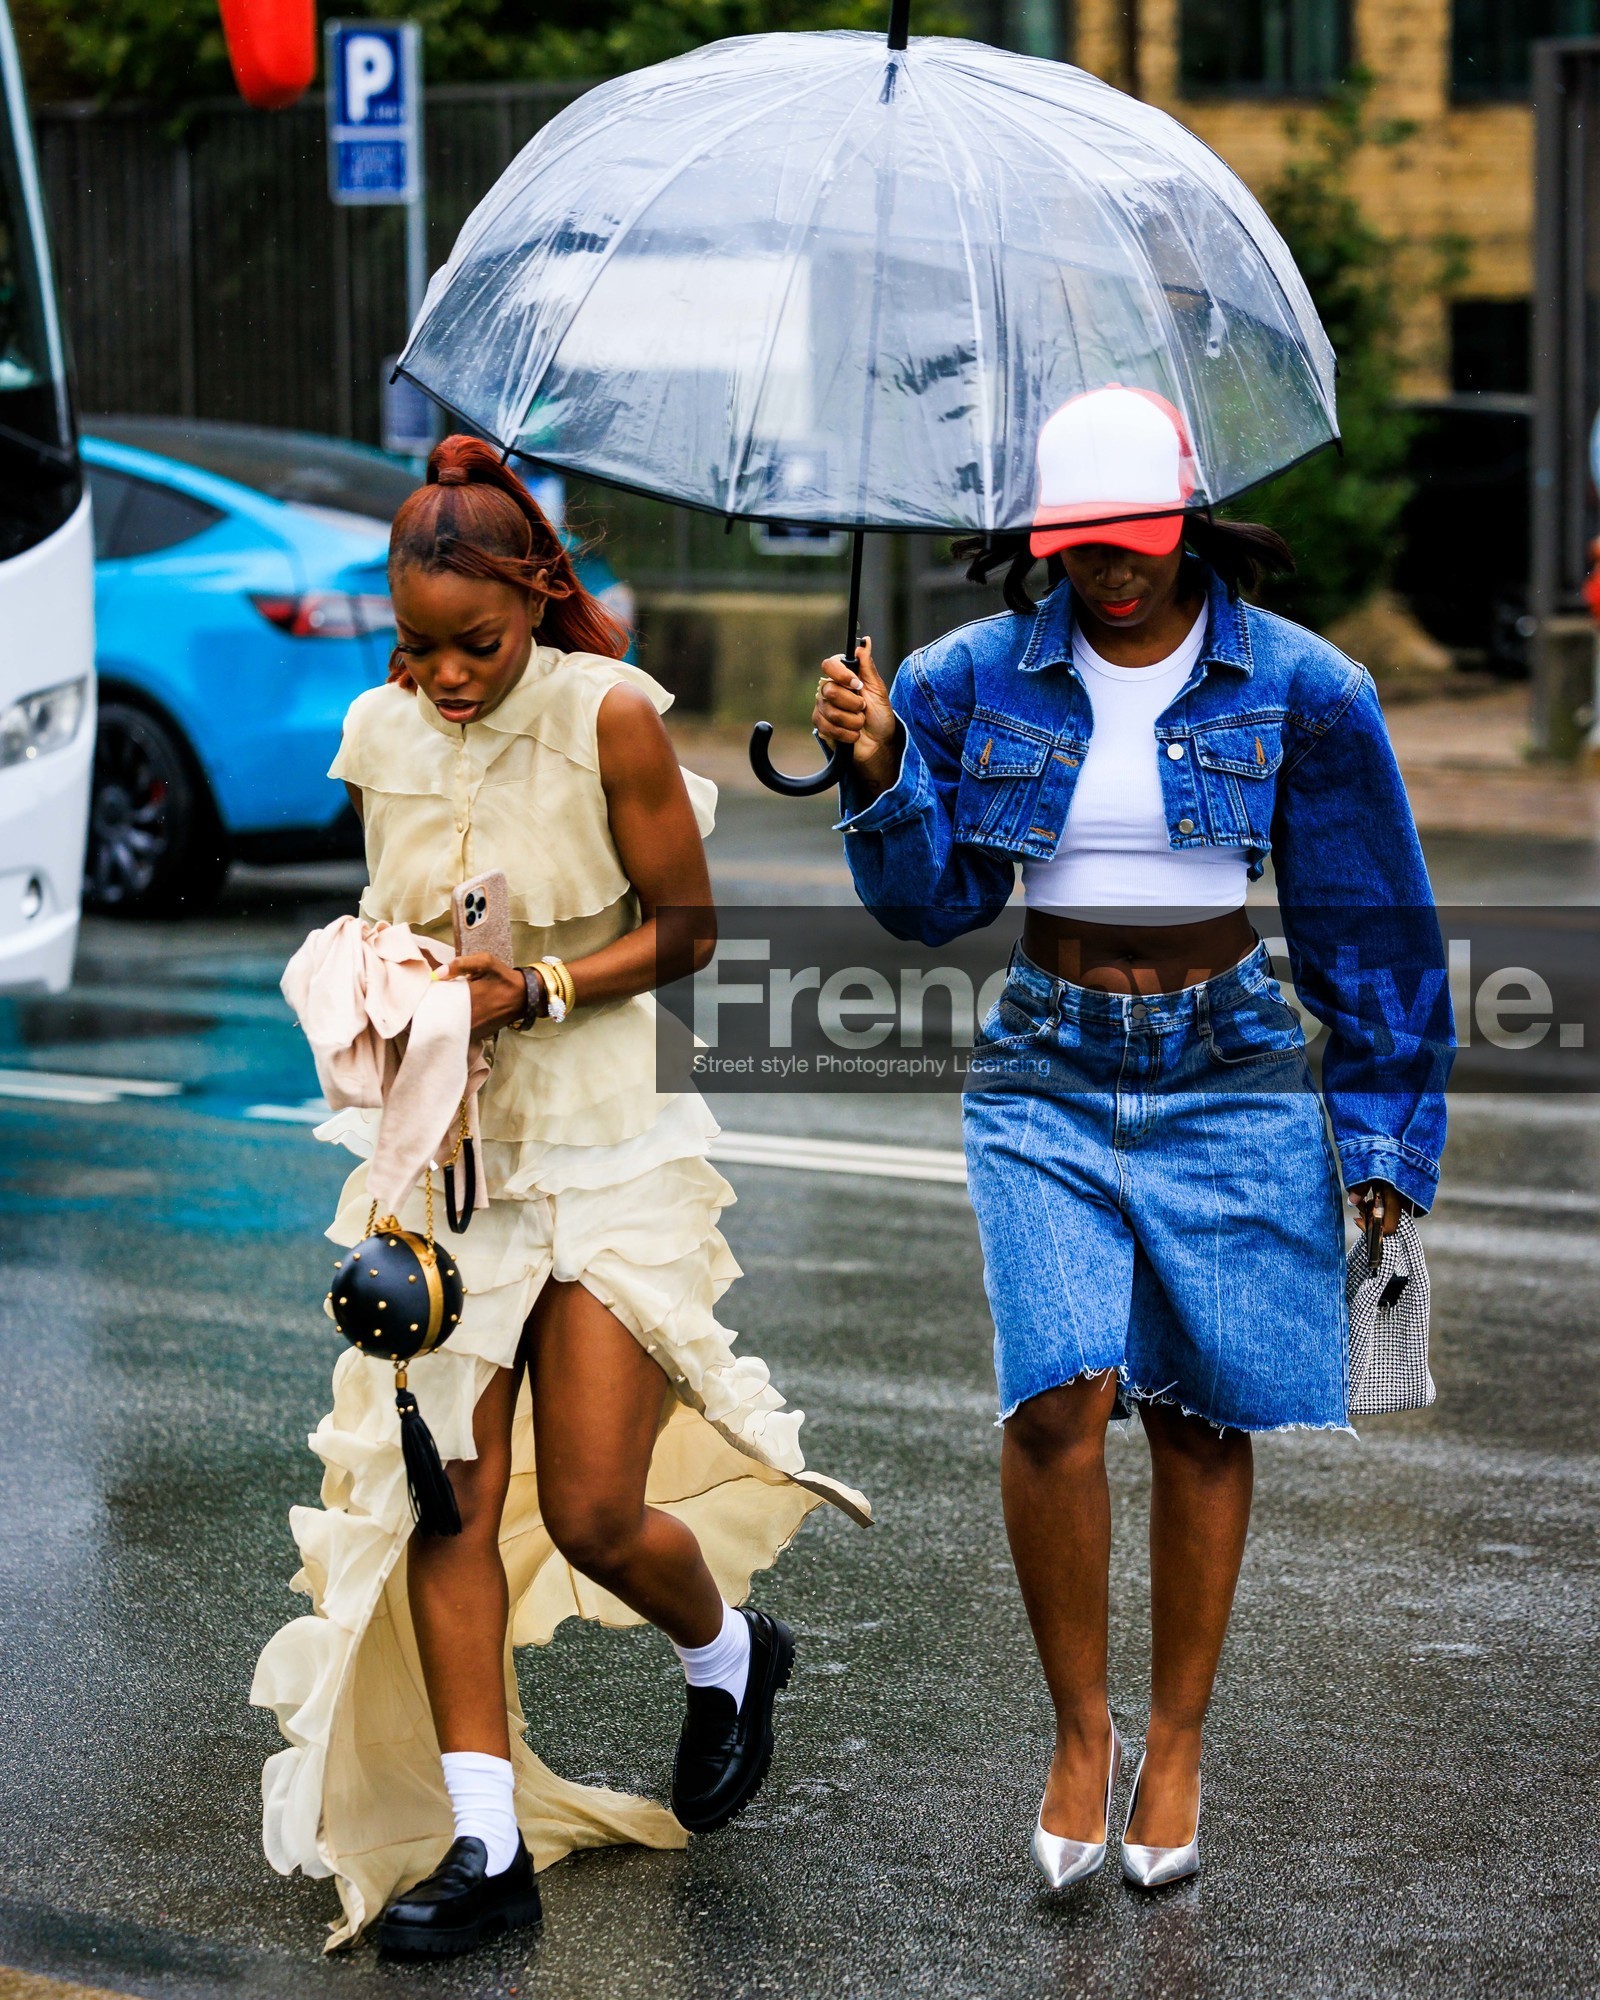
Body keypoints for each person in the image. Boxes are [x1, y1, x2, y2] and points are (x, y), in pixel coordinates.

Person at [812, 385, 1450, 1890]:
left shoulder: (1304, 687)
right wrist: (879, 765)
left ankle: (1178, 1738)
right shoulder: (964, 677)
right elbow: (932, 907)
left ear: (1186, 526)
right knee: (1058, 1398)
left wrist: (1381, 1146)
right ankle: (1078, 1732)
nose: (1113, 571)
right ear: (1043, 542)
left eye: (1137, 541)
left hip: (1229, 1066)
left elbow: (1375, 932)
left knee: (1198, 1410)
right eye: (1083, 545)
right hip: (1047, 1068)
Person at [253, 436, 868, 1956]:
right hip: (445, 1165)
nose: (447, 677)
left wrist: (531, 985)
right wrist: (372, 982)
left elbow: (690, 929)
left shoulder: (609, 717)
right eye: (417, 647)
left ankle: (731, 1652)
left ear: (538, 597)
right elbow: (390, 918)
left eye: (476, 644)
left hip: (603, 1144)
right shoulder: (375, 730)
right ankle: (483, 1848)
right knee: (442, 1499)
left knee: (596, 1509)